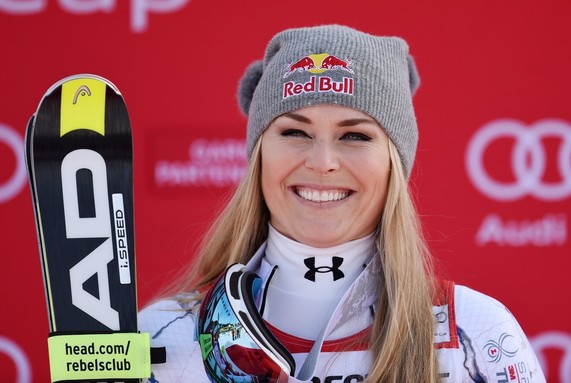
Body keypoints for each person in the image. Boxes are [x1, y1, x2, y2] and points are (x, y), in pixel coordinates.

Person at [138, 24, 546, 383]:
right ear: (260, 154)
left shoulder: (476, 335)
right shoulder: (164, 338)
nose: (322, 163)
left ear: (394, 163)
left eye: (356, 136)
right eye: (295, 131)